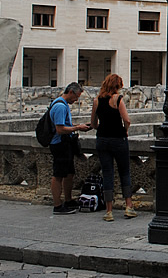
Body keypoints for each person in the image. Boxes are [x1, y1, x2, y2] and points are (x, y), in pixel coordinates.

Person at [90, 74, 137, 222]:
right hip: (118, 139)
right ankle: (128, 206)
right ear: (117, 86)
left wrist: (100, 128)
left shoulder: (97, 100)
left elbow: (93, 123)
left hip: (102, 139)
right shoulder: (117, 99)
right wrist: (125, 130)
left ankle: (109, 210)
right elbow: (127, 119)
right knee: (124, 172)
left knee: (107, 173)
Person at [49, 82, 91, 215]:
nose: (76, 100)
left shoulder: (61, 104)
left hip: (65, 143)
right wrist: (78, 128)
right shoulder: (61, 106)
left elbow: (65, 124)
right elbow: (60, 129)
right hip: (60, 143)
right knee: (58, 174)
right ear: (71, 92)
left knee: (68, 173)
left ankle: (68, 200)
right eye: (76, 97)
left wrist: (78, 126)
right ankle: (57, 205)